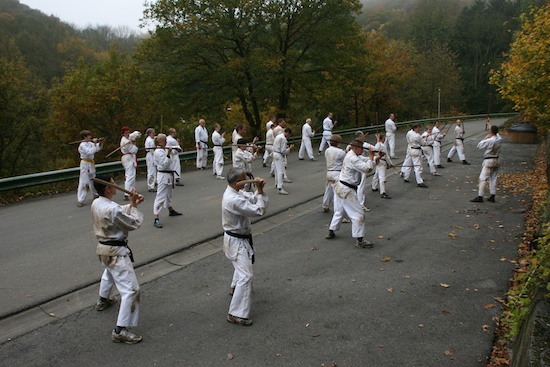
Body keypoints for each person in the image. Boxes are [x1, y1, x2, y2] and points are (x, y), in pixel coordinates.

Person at [91, 174, 145, 344]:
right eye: (113, 183)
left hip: (103, 250)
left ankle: (103, 300)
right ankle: (120, 330)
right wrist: (134, 208)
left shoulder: (97, 203)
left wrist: (132, 204)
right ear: (107, 188)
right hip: (115, 253)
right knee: (131, 290)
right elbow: (132, 223)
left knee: (109, 273)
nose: (116, 185)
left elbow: (117, 211)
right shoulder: (112, 209)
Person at [222, 167, 269, 326]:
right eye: (244, 178)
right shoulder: (233, 199)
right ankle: (236, 313)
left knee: (242, 266)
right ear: (238, 182)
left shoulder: (235, 192)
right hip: (236, 241)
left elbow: (250, 198)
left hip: (239, 238)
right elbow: (258, 210)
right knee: (246, 276)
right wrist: (261, 191)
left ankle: (235, 287)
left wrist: (258, 190)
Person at [326, 139, 381, 248]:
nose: (363, 150)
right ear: (355, 148)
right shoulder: (352, 158)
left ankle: (331, 231)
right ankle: (360, 240)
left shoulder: (354, 155)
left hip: (341, 187)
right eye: (361, 148)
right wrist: (371, 156)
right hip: (346, 189)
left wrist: (377, 157)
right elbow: (367, 168)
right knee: (358, 215)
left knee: (339, 211)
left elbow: (364, 160)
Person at [153, 134, 182, 228]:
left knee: (169, 194)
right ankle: (156, 217)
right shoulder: (158, 152)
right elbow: (164, 164)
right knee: (160, 196)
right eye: (164, 140)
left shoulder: (164, 149)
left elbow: (175, 153)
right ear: (160, 142)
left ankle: (170, 210)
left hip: (169, 175)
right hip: (163, 175)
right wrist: (168, 154)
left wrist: (176, 149)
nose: (166, 142)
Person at [470, 120, 501, 203]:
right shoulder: (499, 139)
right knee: (493, 178)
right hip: (496, 160)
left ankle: (480, 196)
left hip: (489, 160)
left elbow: (479, 145)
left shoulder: (490, 140)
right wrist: (488, 123)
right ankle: (492, 195)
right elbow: (494, 131)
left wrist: (485, 137)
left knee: (483, 178)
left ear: (491, 132)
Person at [76, 130, 103, 207]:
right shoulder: (82, 145)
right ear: (85, 137)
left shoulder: (89, 143)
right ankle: (80, 199)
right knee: (84, 182)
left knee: (93, 179)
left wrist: (100, 142)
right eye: (89, 136)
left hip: (90, 163)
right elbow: (89, 152)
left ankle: (95, 194)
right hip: (85, 164)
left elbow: (97, 148)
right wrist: (94, 144)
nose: (90, 137)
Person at [322, 134, 346, 212]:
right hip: (337, 173)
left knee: (328, 190)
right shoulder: (340, 152)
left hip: (329, 172)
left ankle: (325, 205)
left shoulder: (327, 150)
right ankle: (338, 211)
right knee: (337, 194)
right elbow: (344, 161)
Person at [120, 126, 141, 200]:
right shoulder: (125, 141)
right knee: (130, 176)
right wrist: (134, 142)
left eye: (129, 132)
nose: (128, 134)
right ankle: (127, 193)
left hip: (130, 157)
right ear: (123, 134)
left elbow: (137, 133)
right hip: (128, 158)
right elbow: (134, 150)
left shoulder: (129, 137)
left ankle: (132, 191)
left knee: (132, 176)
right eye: (126, 133)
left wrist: (136, 135)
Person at [371, 133, 393, 199]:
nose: (384, 139)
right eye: (383, 138)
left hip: (378, 161)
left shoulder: (377, 145)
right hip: (382, 161)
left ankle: (374, 186)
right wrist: (390, 164)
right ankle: (383, 192)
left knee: (377, 174)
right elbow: (387, 156)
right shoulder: (381, 146)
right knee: (382, 177)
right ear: (381, 139)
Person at [273, 128, 293, 195]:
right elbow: (283, 151)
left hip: (275, 153)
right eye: (289, 135)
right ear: (287, 133)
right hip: (279, 154)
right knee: (280, 171)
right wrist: (289, 149)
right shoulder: (284, 139)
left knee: (276, 170)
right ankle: (280, 187)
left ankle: (277, 183)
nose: (288, 136)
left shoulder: (278, 136)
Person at [144, 128, 157, 192]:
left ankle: (154, 182)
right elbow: (152, 149)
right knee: (151, 171)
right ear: (149, 133)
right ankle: (151, 186)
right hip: (150, 155)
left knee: (154, 170)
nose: (154, 134)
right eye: (153, 133)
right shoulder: (149, 140)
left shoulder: (152, 139)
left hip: (152, 155)